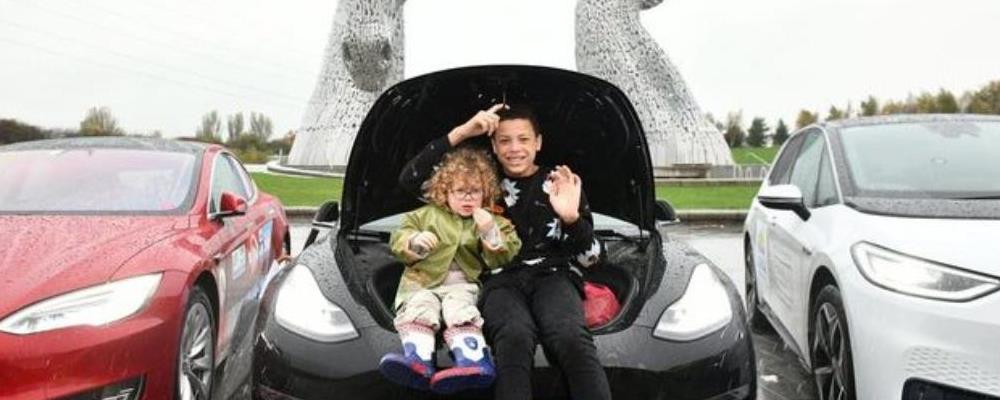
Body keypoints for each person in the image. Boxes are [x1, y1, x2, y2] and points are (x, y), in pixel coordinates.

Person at [399, 104, 611, 400]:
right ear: (494, 146)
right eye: (504, 140)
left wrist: (572, 219)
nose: (514, 148)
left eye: (523, 139)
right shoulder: (479, 183)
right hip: (498, 281)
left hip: (554, 277)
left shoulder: (559, 183)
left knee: (570, 337)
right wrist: (462, 132)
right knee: (513, 336)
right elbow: (410, 179)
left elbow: (593, 260)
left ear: (538, 142)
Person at [382, 147, 522, 394]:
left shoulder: (492, 220)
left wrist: (489, 231)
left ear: (485, 192)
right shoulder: (424, 216)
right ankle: (418, 363)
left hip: (462, 285)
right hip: (421, 283)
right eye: (460, 191)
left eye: (475, 191)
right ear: (445, 191)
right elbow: (398, 239)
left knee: (460, 311)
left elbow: (506, 254)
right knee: (420, 309)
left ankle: (475, 363)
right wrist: (414, 241)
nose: (468, 198)